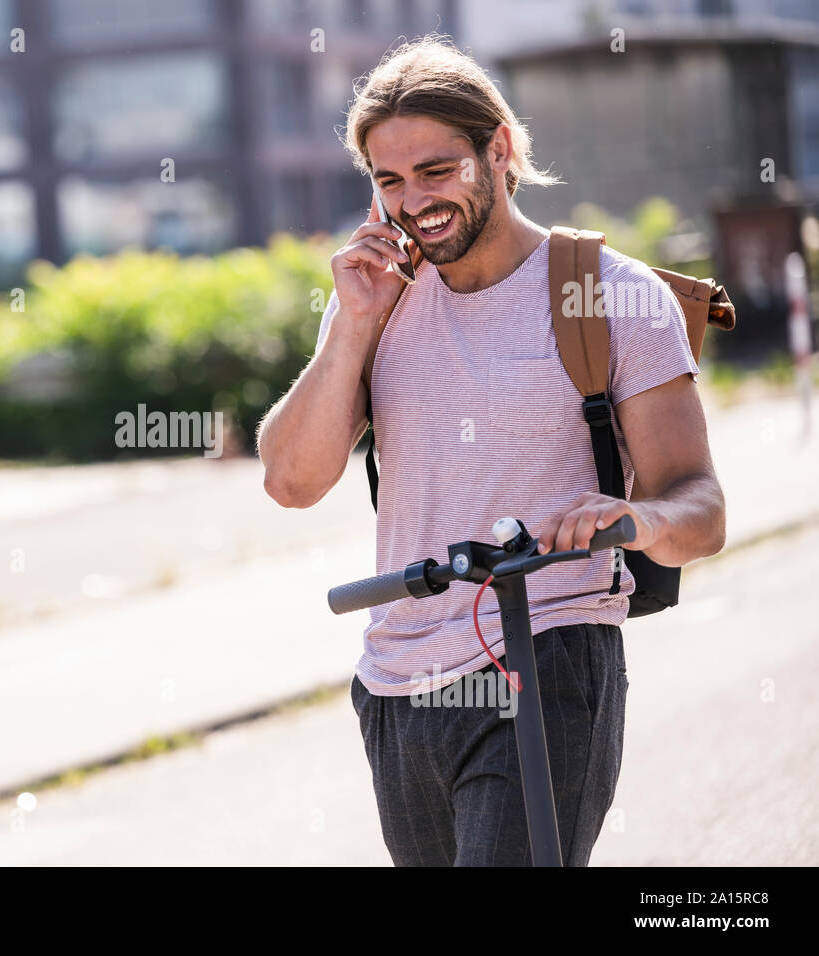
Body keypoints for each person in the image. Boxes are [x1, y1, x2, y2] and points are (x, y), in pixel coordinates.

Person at [255, 35, 726, 866]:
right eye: (389, 181)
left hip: (547, 656)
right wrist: (354, 322)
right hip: (396, 683)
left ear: (498, 149)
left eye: (437, 171)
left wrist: (634, 517)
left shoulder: (611, 294)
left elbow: (701, 509)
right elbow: (291, 480)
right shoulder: (377, 302)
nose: (413, 202)